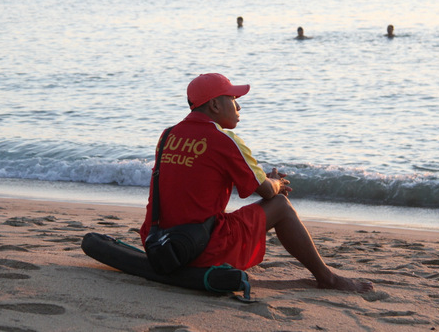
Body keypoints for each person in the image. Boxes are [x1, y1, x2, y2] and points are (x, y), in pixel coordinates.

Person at [139, 73, 373, 293]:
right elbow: (266, 191)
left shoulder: (168, 134)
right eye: (233, 99)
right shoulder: (223, 140)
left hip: (157, 240)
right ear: (214, 106)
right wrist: (277, 183)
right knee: (281, 205)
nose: (239, 107)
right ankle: (327, 278)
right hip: (200, 249)